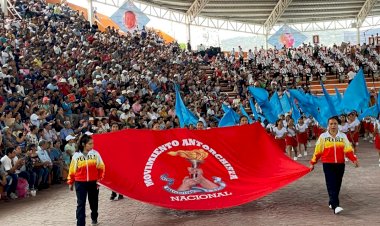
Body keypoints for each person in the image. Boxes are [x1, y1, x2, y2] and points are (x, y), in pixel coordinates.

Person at [309, 116, 359, 214]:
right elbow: (318, 151)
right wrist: (312, 163)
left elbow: (348, 150)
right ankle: (336, 206)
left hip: (340, 164)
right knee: (331, 184)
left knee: (337, 185)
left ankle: (332, 201)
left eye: (335, 124)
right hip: (328, 164)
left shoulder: (343, 136)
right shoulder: (323, 137)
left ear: (338, 125)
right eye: (331, 124)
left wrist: (354, 159)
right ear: (328, 125)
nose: (333, 126)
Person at [67, 134, 105, 226]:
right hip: (80, 183)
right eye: (90, 144)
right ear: (84, 144)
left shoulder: (95, 154)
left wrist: (99, 180)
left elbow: (101, 167)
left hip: (93, 183)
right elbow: (72, 169)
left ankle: (94, 218)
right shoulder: (76, 155)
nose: (92, 145)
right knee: (81, 204)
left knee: (94, 203)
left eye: (92, 143)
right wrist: (70, 182)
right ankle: (80, 224)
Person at [109, 123, 124, 201]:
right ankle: (113, 193)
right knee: (112, 178)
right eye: (113, 127)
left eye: (116, 127)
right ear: (111, 128)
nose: (115, 128)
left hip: (119, 159)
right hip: (111, 160)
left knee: (119, 177)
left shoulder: (121, 136)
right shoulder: (107, 136)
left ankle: (121, 193)